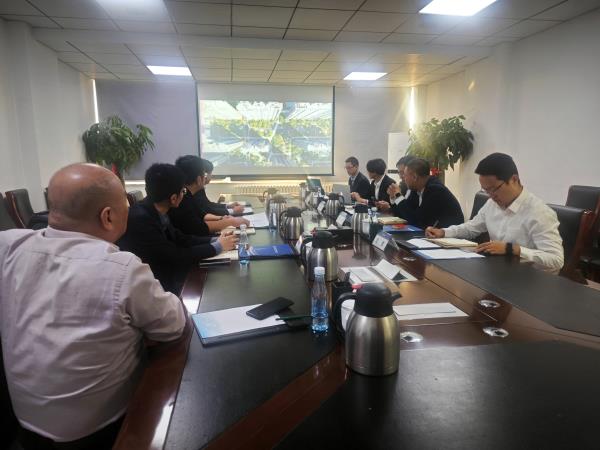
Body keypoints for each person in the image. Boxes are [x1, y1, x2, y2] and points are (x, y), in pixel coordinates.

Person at [0, 163, 186, 450]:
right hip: (101, 429)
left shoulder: (9, 245)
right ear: (108, 216)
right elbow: (172, 325)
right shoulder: (121, 268)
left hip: (24, 423)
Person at [425, 152, 564, 270]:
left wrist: (513, 249)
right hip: (499, 272)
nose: (491, 195)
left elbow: (556, 259)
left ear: (514, 179)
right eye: (486, 190)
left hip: (529, 280)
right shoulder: (491, 204)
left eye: (494, 189)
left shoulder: (539, 213)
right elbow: (471, 228)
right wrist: (444, 232)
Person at [117, 163, 237, 295]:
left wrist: (216, 240)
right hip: (155, 286)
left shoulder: (156, 209)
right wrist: (217, 247)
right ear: (174, 198)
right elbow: (175, 255)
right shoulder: (141, 220)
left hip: (167, 272)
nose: (184, 194)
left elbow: (181, 238)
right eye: (183, 191)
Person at [170, 155, 249, 235]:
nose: (206, 178)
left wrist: (223, 218)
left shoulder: (188, 194)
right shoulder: (182, 198)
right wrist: (230, 221)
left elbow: (202, 214)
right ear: (199, 179)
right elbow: (197, 228)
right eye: (204, 174)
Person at [390, 158, 464, 229]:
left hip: (450, 235)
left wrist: (398, 196)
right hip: (430, 232)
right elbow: (405, 214)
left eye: (405, 175)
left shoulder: (435, 190)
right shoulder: (417, 189)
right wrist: (394, 197)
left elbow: (416, 221)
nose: (403, 178)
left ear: (415, 177)